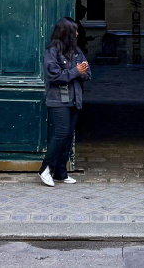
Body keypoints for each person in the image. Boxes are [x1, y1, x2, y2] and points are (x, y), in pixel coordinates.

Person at [38, 17, 91, 187]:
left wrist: (81, 72)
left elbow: (88, 73)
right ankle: (45, 168)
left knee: (68, 136)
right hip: (58, 99)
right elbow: (55, 76)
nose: (77, 33)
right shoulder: (52, 52)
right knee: (60, 134)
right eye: (74, 30)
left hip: (75, 99)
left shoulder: (76, 51)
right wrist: (76, 71)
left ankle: (61, 171)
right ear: (66, 32)